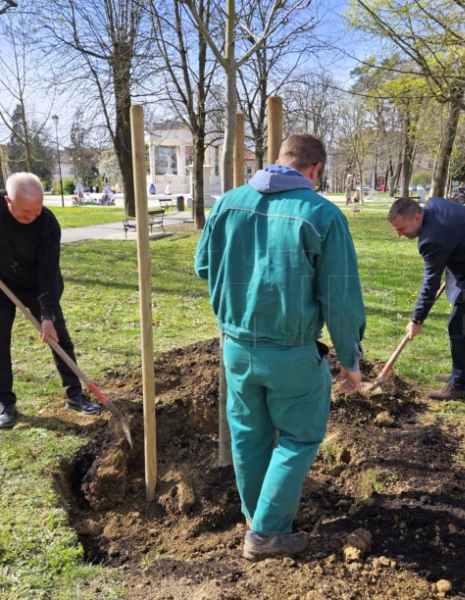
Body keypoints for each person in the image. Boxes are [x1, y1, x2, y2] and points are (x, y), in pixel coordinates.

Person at [195, 133, 366, 561]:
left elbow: (203, 265)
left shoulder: (228, 202)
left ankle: (258, 519)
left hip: (236, 347)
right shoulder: (322, 215)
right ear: (315, 170)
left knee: (249, 437)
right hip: (291, 351)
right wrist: (350, 361)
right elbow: (340, 299)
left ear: (278, 160)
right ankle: (268, 533)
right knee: (298, 437)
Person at [0, 172, 103, 429]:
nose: (32, 216)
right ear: (8, 201)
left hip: (37, 287)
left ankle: (74, 395)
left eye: (37, 209)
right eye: (25, 212)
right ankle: (6, 403)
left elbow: (48, 273)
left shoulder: (47, 224)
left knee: (59, 337)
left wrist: (47, 315)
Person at [387, 196, 465, 399]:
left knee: (459, 324)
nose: (399, 235)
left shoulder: (431, 240)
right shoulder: (435, 204)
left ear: (417, 217)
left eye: (401, 229)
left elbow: (430, 283)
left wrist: (416, 320)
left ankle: (458, 385)